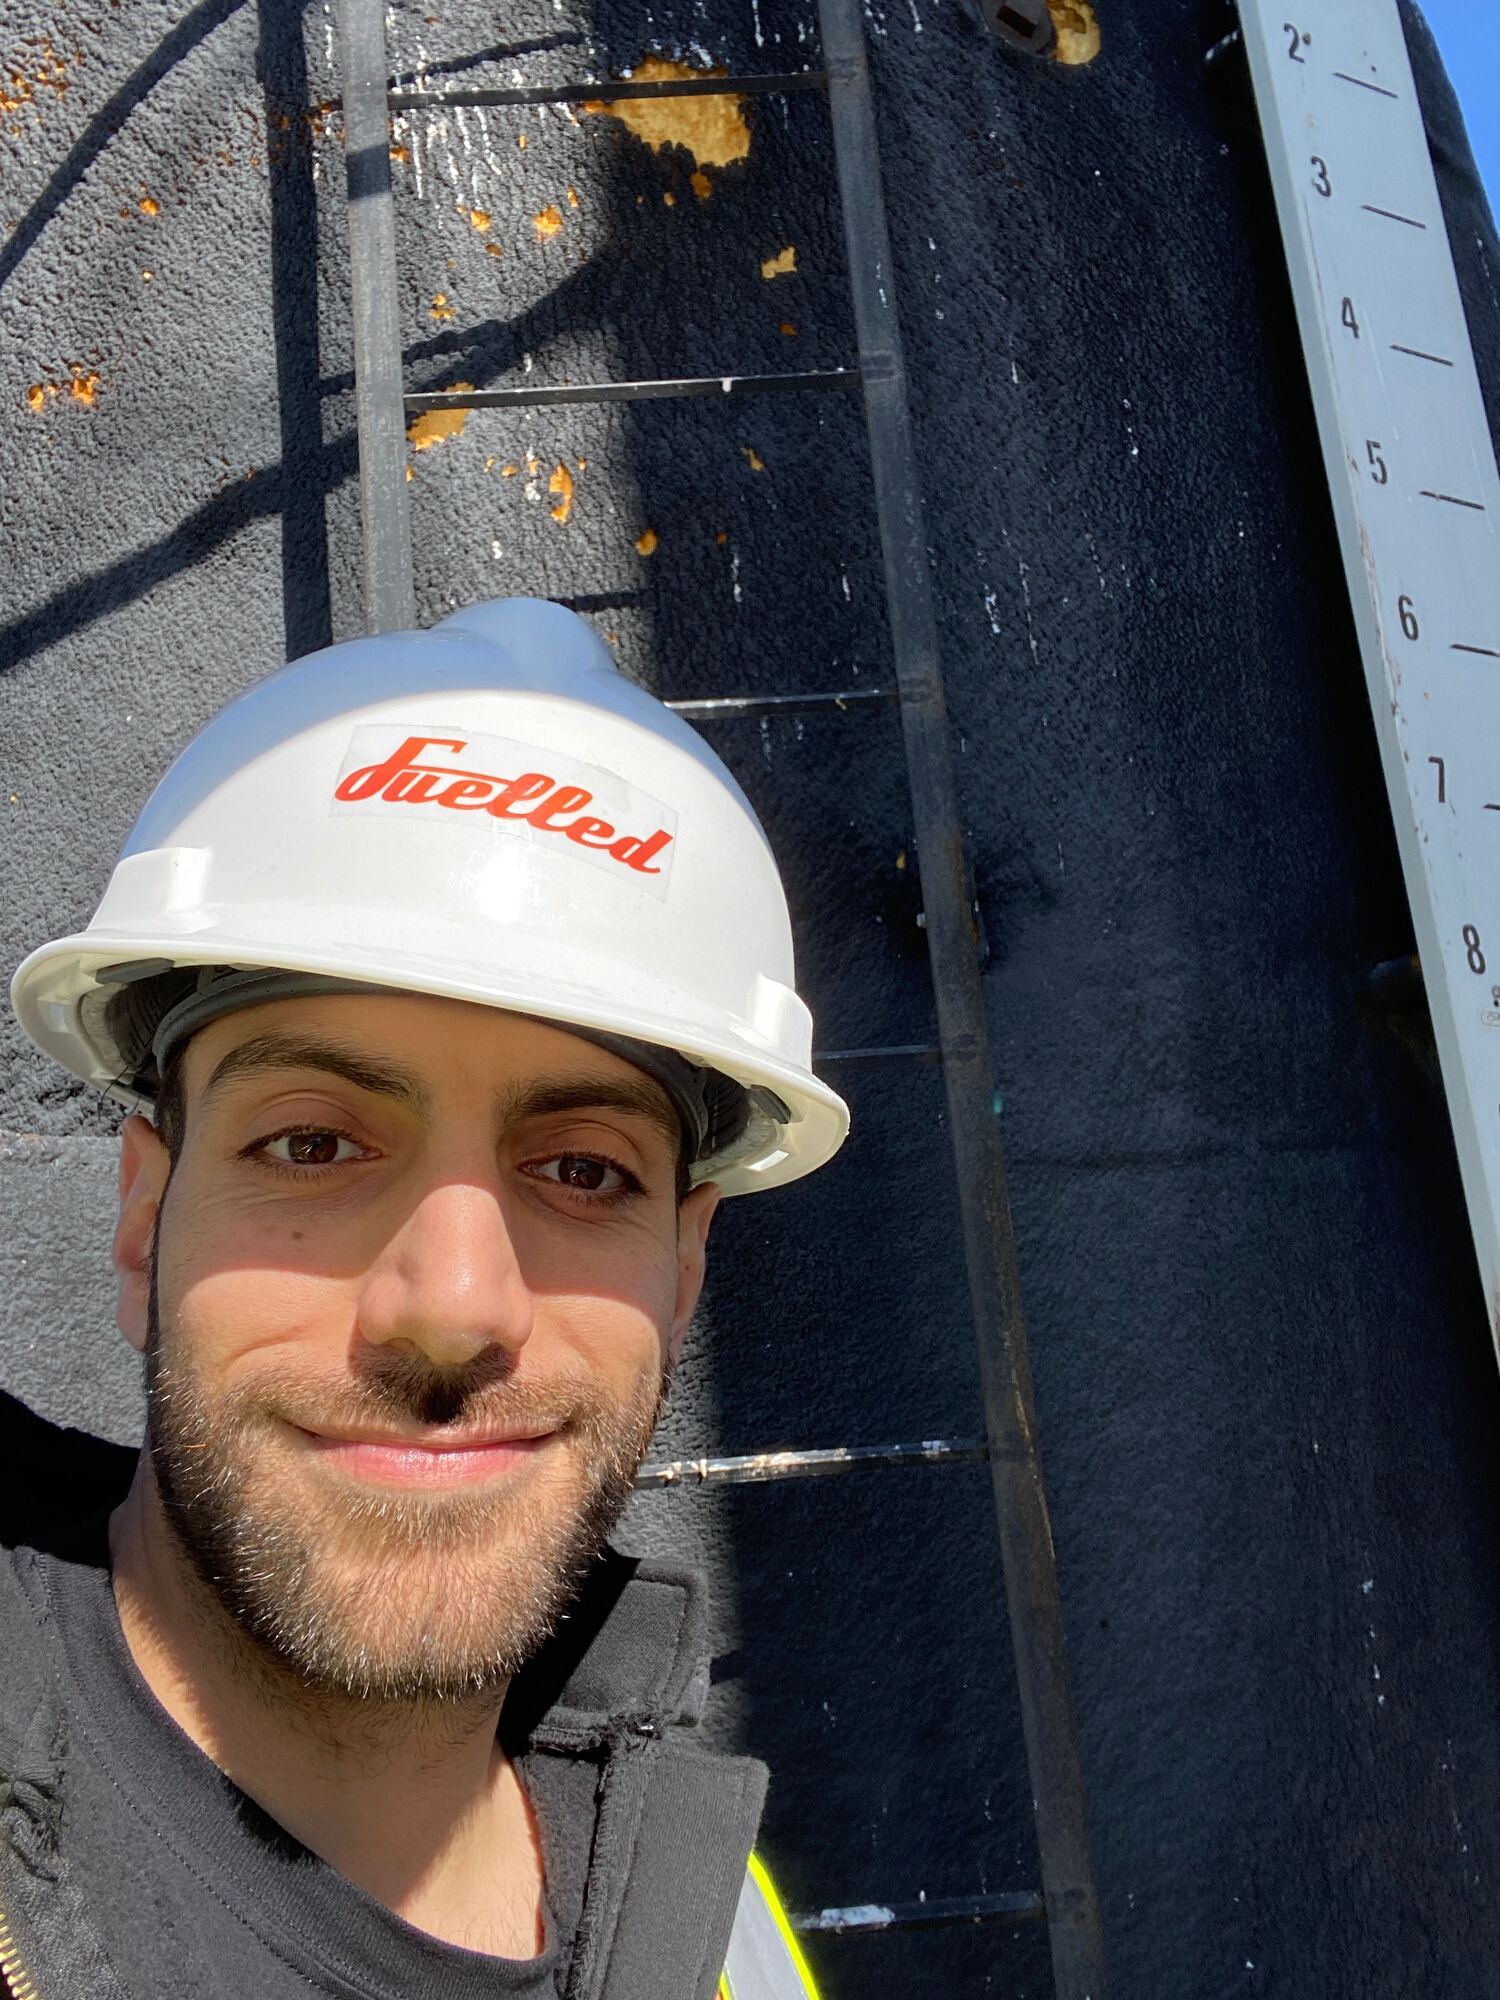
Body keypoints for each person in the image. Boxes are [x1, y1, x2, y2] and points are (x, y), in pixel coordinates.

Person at [0, 598, 848, 2000]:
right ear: (144, 1218)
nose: (453, 1307)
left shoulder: (717, 1940)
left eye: (583, 1170)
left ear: (682, 1275)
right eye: (312, 1145)